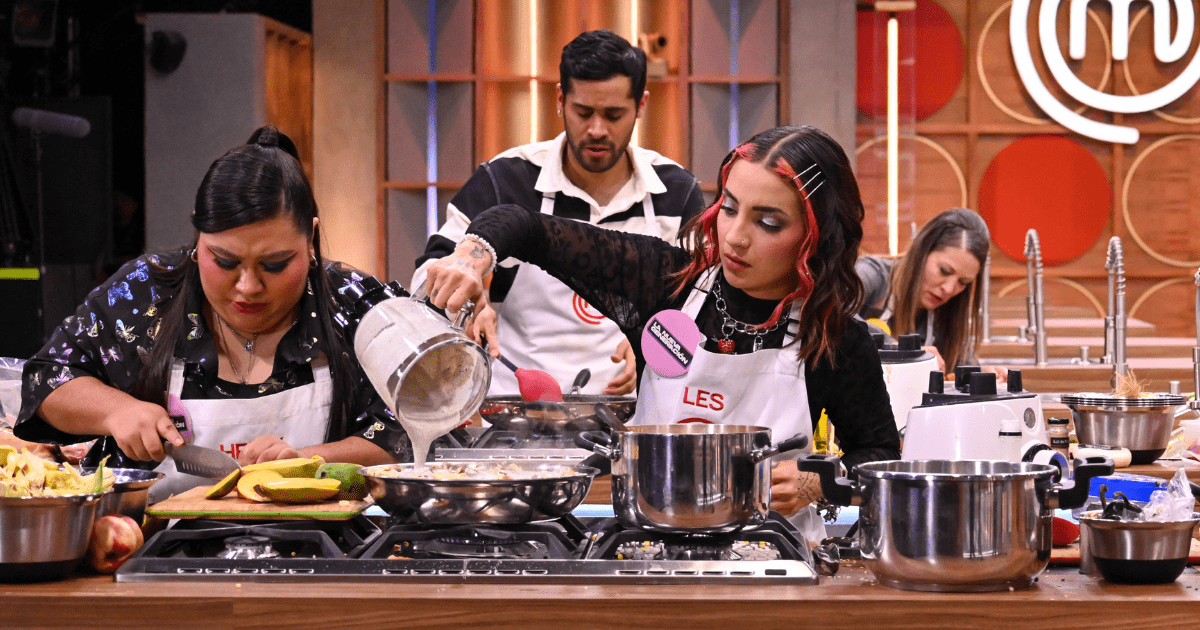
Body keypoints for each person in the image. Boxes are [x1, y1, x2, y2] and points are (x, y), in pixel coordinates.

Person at [423, 125, 901, 542]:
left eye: (768, 222)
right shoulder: (665, 282)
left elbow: (881, 459)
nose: (735, 236)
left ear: (817, 237)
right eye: (729, 208)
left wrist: (819, 481)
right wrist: (471, 257)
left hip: (777, 559)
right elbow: (522, 224)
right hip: (648, 548)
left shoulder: (835, 338)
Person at [14, 126, 406, 501]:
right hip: (150, 540)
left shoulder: (354, 304)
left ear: (312, 239)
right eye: (225, 261)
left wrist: (309, 461)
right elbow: (46, 380)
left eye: (275, 264)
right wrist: (117, 411)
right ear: (199, 239)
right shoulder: (144, 292)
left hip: (318, 544)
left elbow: (406, 436)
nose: (248, 286)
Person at [412, 29, 705, 397]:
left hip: (635, 413)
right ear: (560, 99)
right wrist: (464, 304)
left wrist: (658, 333)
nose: (597, 130)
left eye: (614, 115)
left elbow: (706, 301)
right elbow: (427, 276)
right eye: (583, 112)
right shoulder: (506, 180)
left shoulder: (675, 192)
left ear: (641, 106)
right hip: (518, 410)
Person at [856, 208, 994, 375]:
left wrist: (982, 376)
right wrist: (899, 349)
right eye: (944, 271)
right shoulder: (872, 274)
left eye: (963, 282)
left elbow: (961, 369)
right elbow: (834, 313)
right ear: (922, 251)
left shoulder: (949, 313)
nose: (949, 289)